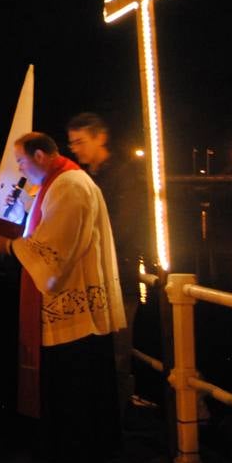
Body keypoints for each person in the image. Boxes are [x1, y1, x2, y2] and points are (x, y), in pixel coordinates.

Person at [0, 132, 126, 463]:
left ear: (40, 156)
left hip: (73, 304)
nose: (20, 167)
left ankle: (80, 458)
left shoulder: (69, 186)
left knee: (76, 388)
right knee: (78, 385)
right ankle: (77, 450)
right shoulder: (61, 182)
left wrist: (9, 246)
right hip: (74, 304)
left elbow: (54, 251)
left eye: (22, 160)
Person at [66, 111, 151, 420]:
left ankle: (117, 419)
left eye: (80, 141)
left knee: (117, 352)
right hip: (93, 279)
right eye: (72, 143)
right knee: (100, 352)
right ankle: (104, 419)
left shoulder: (124, 176)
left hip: (118, 278)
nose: (75, 148)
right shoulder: (89, 177)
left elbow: (122, 227)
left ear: (100, 137)